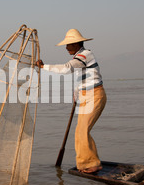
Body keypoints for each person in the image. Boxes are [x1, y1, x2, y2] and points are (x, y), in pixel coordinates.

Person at [36, 29, 107, 174]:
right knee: (79, 132)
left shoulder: (85, 55)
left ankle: (91, 164)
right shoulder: (78, 58)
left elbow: (66, 68)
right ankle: (89, 163)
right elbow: (80, 79)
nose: (66, 47)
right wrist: (76, 94)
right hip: (86, 96)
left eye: (69, 44)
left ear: (76, 44)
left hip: (95, 95)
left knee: (83, 130)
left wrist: (44, 67)